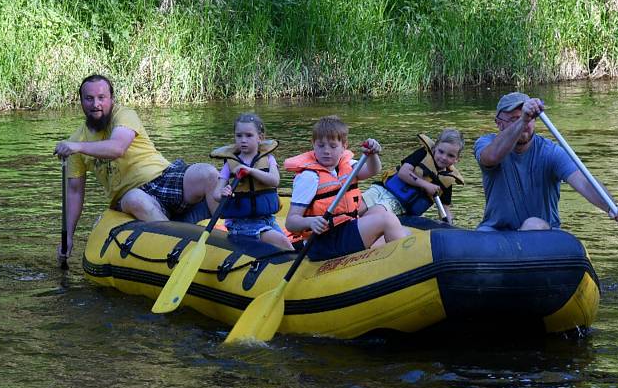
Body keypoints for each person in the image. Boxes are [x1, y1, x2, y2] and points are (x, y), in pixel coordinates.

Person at [54, 74, 219, 263]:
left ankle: (229, 238)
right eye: (89, 99)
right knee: (135, 199)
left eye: (101, 98)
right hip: (129, 196)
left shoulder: (123, 115)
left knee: (208, 173)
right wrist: (68, 237)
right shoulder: (76, 141)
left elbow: (117, 147)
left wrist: (79, 147)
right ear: (81, 102)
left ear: (112, 99)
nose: (96, 104)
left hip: (163, 177)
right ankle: (180, 251)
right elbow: (75, 193)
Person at [475, 91, 618, 231]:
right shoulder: (485, 143)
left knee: (532, 224)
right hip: (496, 232)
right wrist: (522, 120)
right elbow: (492, 157)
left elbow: (583, 182)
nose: (526, 124)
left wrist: (611, 207)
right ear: (499, 123)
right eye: (515, 119)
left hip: (543, 236)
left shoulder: (551, 152)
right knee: (481, 234)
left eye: (530, 118)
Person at [284, 115, 409, 261]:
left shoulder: (347, 164)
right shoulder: (309, 177)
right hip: (325, 241)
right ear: (313, 144)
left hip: (344, 229)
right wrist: (310, 222)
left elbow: (373, 170)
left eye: (333, 146)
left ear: (344, 146)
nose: (326, 151)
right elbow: (291, 222)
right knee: (387, 220)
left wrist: (372, 155)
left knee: (381, 211)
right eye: (321, 145)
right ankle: (404, 264)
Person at [211, 113, 293, 251]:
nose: (243, 140)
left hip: (267, 219)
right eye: (239, 136)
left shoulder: (269, 159)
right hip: (241, 223)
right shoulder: (229, 164)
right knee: (283, 243)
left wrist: (250, 171)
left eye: (249, 135)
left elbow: (275, 181)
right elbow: (216, 194)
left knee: (284, 245)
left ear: (260, 138)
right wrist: (223, 193)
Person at [360, 130, 465, 225]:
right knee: (355, 207)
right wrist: (426, 185)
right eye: (441, 152)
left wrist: (449, 226)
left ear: (457, 159)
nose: (443, 158)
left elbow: (445, 208)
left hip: (399, 205)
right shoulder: (423, 153)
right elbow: (403, 172)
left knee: (373, 214)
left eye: (450, 155)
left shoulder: (447, 180)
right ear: (435, 148)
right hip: (381, 189)